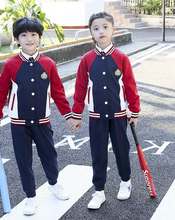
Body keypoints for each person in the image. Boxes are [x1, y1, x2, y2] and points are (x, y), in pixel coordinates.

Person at [0, 17, 72, 216]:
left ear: (40, 37)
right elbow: (1, 93)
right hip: (19, 123)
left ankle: (53, 184)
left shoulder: (48, 63)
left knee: (49, 155)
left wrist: (68, 115)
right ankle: (30, 197)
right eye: (24, 35)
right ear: (16, 39)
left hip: (43, 121)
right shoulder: (10, 65)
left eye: (33, 35)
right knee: (23, 160)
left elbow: (59, 92)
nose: (29, 39)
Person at [69, 11, 141, 209]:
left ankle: (125, 182)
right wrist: (76, 115)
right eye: (96, 28)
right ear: (91, 33)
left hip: (119, 115)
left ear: (113, 29)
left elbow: (130, 86)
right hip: (96, 116)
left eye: (105, 27)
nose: (101, 31)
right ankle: (98, 191)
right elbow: (80, 89)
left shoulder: (121, 58)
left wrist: (134, 111)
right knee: (98, 153)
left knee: (122, 150)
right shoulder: (86, 59)